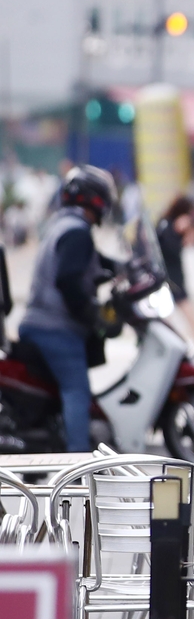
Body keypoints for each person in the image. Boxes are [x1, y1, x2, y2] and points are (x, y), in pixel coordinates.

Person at [19, 166, 118, 451]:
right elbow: (68, 281)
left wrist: (122, 269)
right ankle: (78, 464)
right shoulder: (76, 232)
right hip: (54, 328)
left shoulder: (63, 225)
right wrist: (90, 313)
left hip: (42, 323)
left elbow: (95, 262)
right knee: (77, 391)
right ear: (96, 200)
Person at [156, 196, 194, 348]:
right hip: (166, 281)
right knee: (166, 322)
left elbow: (186, 246)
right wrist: (179, 232)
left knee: (192, 320)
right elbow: (169, 250)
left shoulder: (170, 226)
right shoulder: (165, 226)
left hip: (176, 281)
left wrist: (187, 233)